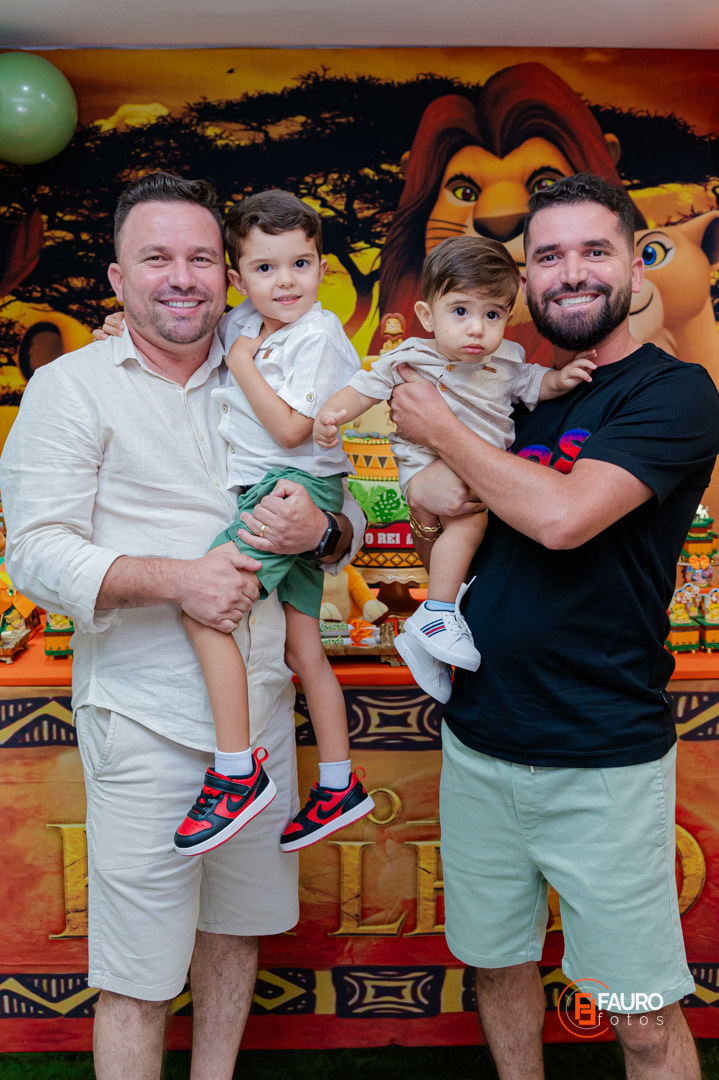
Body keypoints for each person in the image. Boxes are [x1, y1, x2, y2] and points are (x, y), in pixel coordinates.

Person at [0, 172, 365, 1080]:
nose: (181, 277)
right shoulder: (69, 387)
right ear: (117, 278)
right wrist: (180, 581)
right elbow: (35, 553)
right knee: (137, 976)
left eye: (201, 258)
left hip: (264, 717)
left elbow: (344, 515)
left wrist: (323, 532)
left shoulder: (270, 357)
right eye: (155, 258)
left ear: (228, 274)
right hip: (146, 723)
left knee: (236, 935)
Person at [389, 173, 718, 1079]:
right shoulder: (516, 398)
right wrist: (426, 497)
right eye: (548, 256)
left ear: (634, 265)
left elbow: (563, 519)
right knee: (497, 970)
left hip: (600, 754)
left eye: (593, 250)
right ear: (525, 280)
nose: (570, 272)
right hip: (479, 737)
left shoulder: (675, 393)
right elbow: (444, 525)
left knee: (638, 1015)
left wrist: (441, 437)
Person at [176, 189, 374, 856]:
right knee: (302, 649)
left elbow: (292, 430)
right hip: (280, 485)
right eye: (265, 268)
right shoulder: (243, 319)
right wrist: (121, 325)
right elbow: (201, 333)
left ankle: (236, 771)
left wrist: (240, 363)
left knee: (204, 608)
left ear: (323, 268)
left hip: (289, 486)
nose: (285, 282)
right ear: (238, 279)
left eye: (300, 264)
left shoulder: (317, 334)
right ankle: (339, 783)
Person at [315, 235, 595, 702]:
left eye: (493, 315)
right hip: (427, 465)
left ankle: (430, 634)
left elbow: (534, 384)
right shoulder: (413, 357)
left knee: (473, 530)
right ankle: (437, 612)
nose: (477, 329)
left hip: (478, 470)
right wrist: (331, 415)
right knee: (471, 523)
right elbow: (364, 387)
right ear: (428, 316)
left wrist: (559, 380)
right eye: (460, 311)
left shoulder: (507, 359)